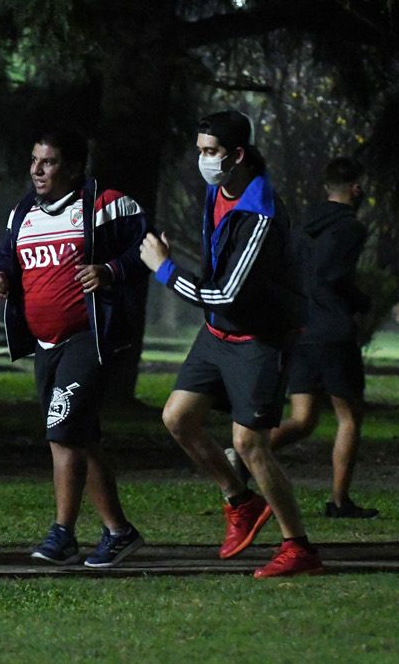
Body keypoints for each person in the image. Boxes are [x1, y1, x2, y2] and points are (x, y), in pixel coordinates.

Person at [139, 110, 321, 579]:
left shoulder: (260, 213)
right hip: (219, 331)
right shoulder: (218, 190)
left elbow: (226, 292)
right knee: (177, 417)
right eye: (199, 150)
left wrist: (164, 269)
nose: (202, 160)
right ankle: (241, 501)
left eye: (210, 152)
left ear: (237, 155)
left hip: (259, 337)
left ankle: (298, 547)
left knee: (250, 444)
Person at [0, 129, 150, 568]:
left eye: (50, 162)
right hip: (45, 343)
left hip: (88, 338)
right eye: (35, 160)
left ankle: (63, 534)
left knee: (62, 434)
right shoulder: (23, 212)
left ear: (75, 168)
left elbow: (149, 249)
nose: (37, 170)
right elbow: (7, 257)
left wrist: (112, 270)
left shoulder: (106, 205)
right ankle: (119, 531)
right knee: (81, 437)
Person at [231, 157, 377, 519]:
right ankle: (339, 501)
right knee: (349, 417)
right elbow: (333, 277)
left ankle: (241, 455)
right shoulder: (351, 229)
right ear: (356, 189)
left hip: (301, 329)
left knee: (304, 418)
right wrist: (360, 301)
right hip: (332, 330)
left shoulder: (301, 226)